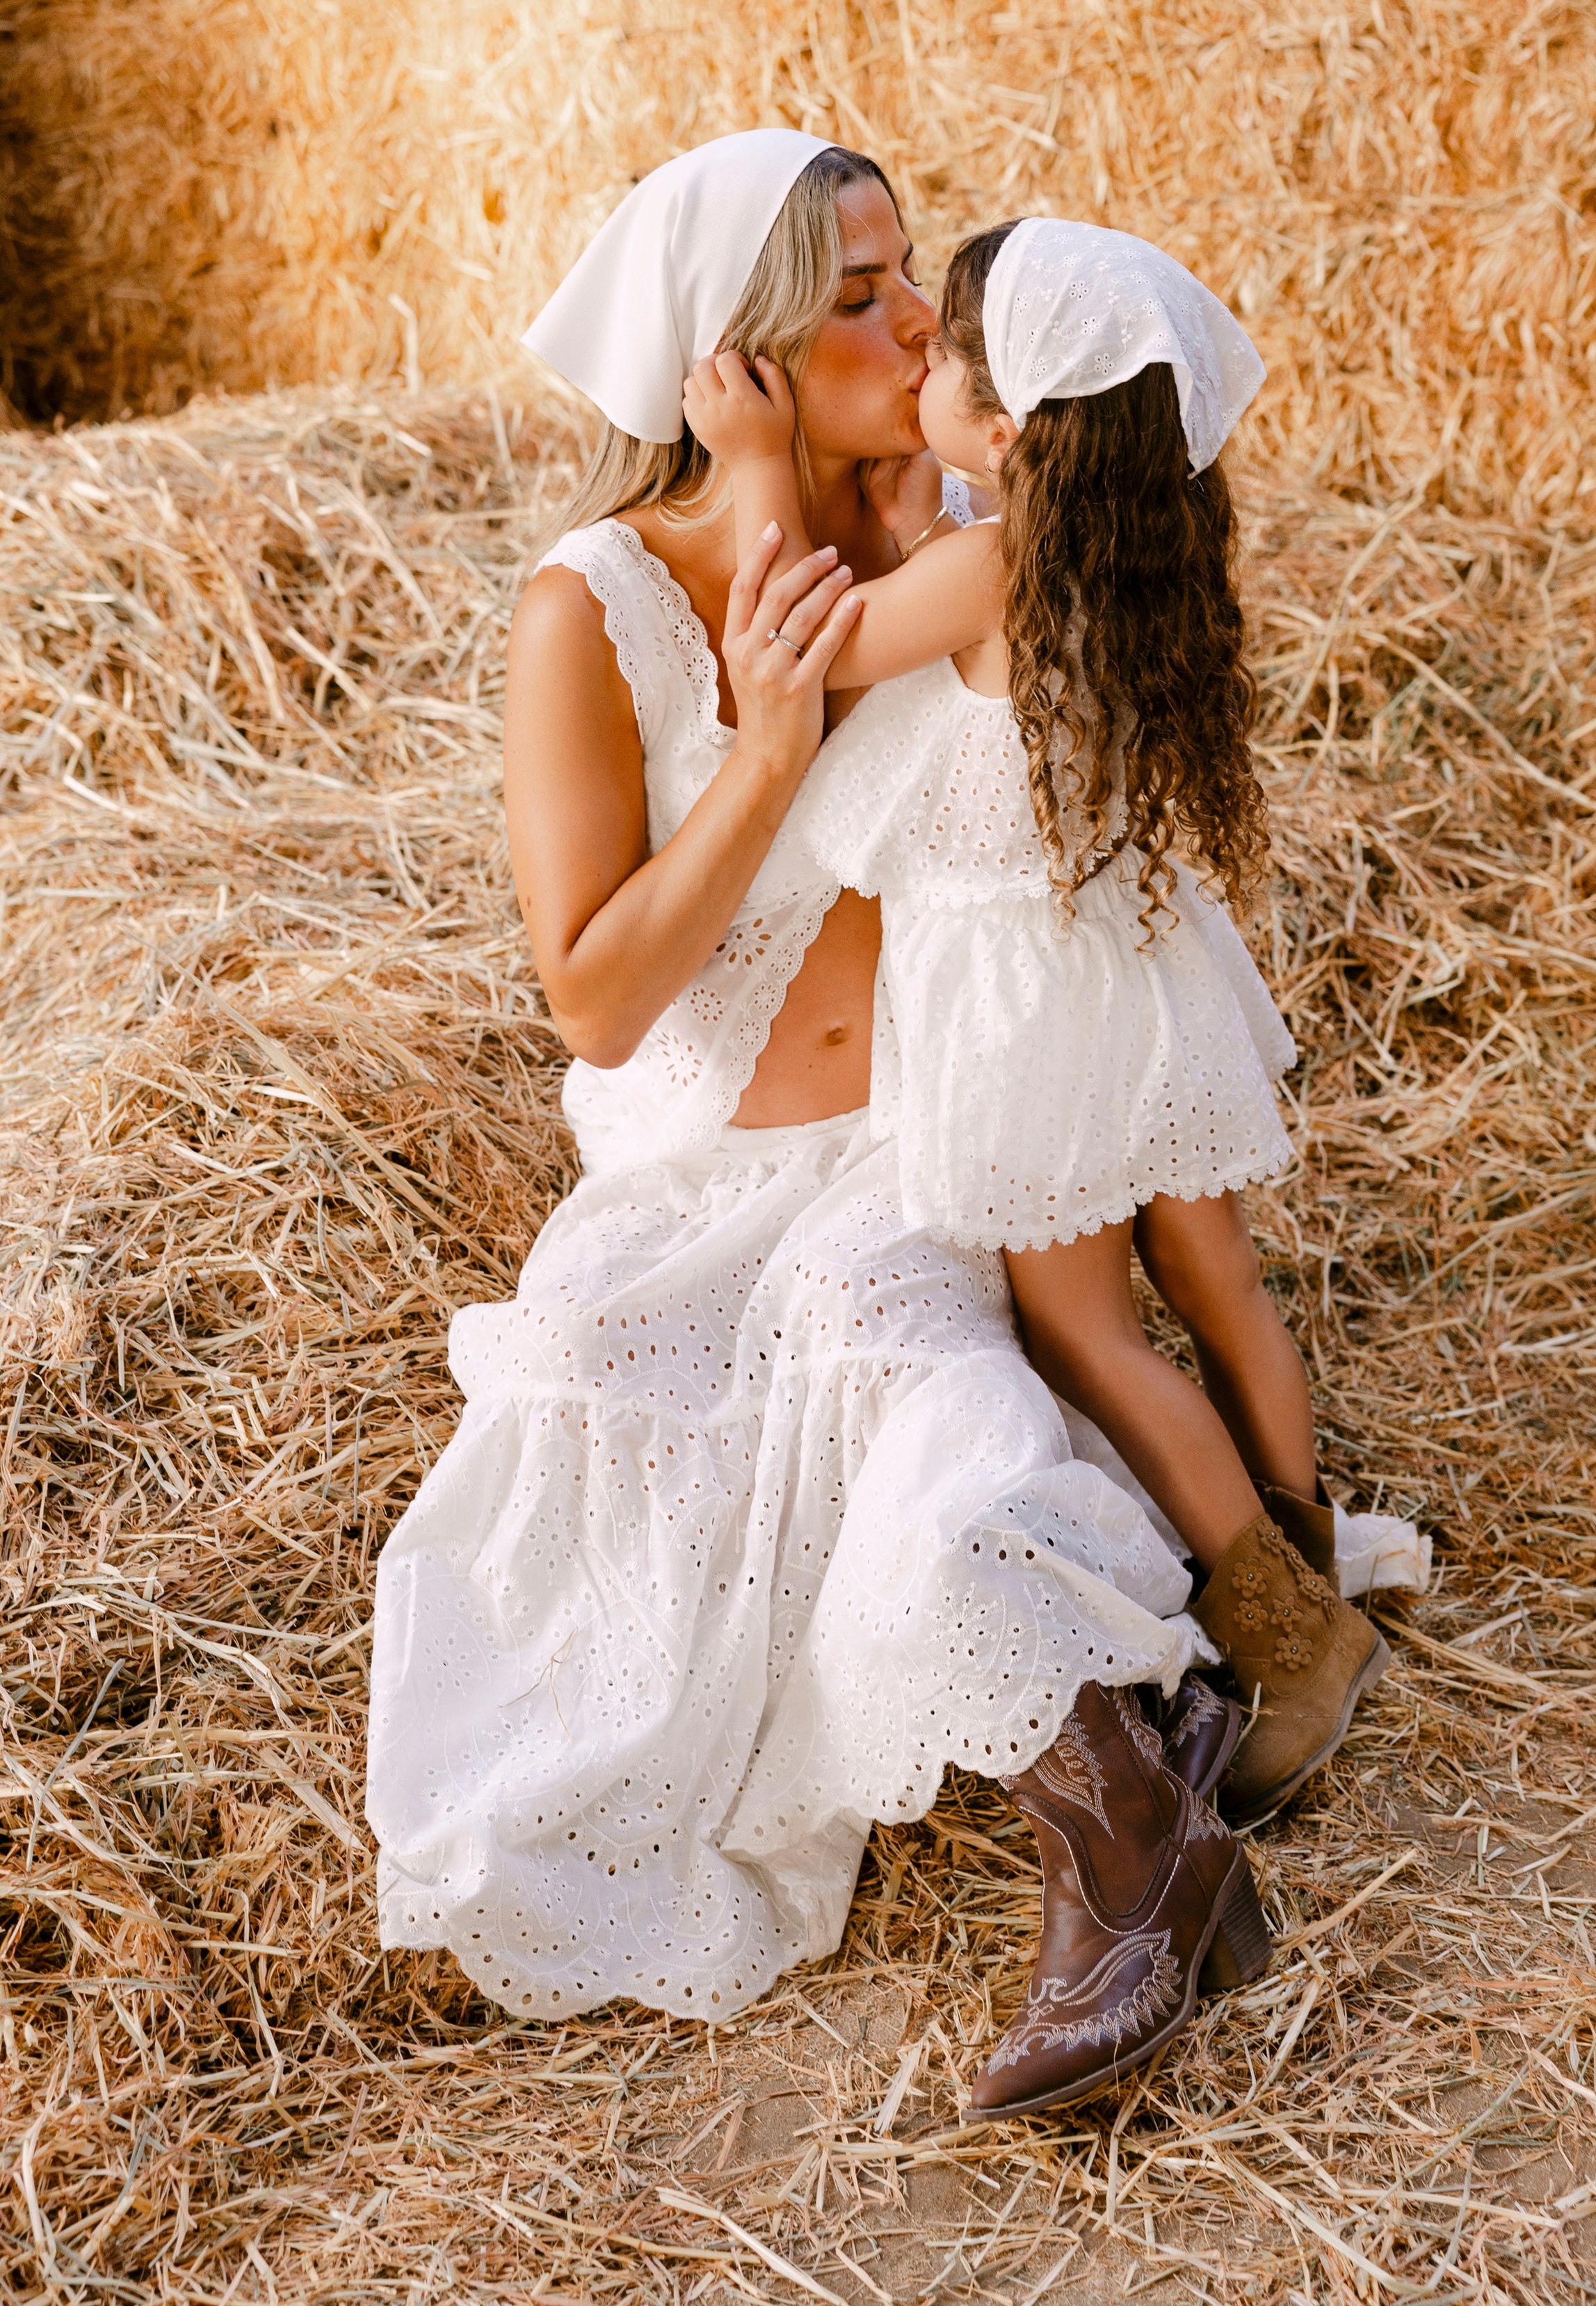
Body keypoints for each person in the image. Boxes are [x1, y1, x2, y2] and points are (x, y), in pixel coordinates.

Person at [366, 134, 1271, 2124]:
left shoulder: (956, 531)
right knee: (601, 1503)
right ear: (740, 361)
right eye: (860, 296)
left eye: (908, 276)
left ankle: (1127, 1850)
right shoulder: (589, 607)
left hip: (917, 1145)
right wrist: (766, 748)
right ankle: (1158, 1787)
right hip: (695, 1165)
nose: (922, 323)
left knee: (904, 1375)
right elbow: (596, 998)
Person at [684, 216, 1424, 1832]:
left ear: (1012, 429)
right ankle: (1302, 1548)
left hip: (1023, 1014)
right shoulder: (1111, 549)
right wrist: (912, 520)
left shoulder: (986, 567)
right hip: (1135, 970)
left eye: (948, 353)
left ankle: (1293, 1644)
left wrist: (750, 465)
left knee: (1086, 1329)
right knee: (1212, 1279)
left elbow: (786, 665)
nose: (917, 361)